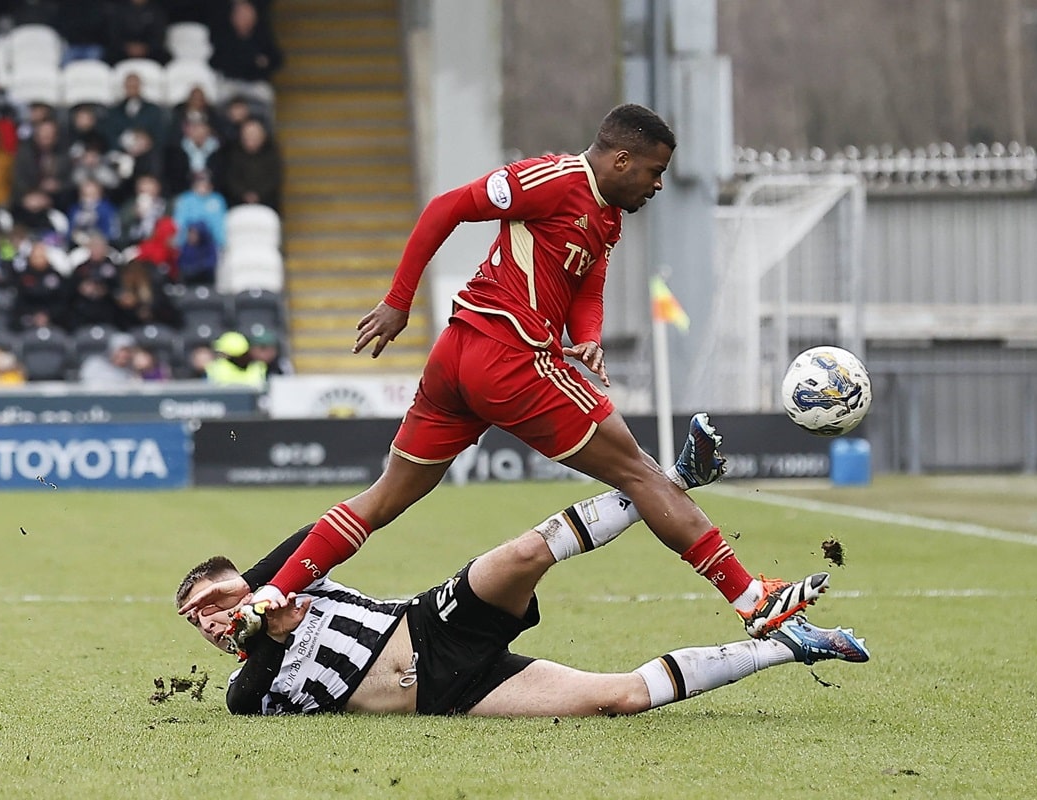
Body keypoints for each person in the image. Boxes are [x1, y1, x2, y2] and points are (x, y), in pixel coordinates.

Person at [217, 104, 826, 639]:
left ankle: (272, 593)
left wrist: (586, 339)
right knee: (643, 473)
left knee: (381, 500)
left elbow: (586, 285)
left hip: (459, 359)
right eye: (654, 171)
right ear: (619, 160)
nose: (659, 184)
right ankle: (754, 599)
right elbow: (445, 207)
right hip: (508, 360)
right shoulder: (552, 179)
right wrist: (399, 300)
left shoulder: (607, 216)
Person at [176, 474, 869, 717]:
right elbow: (253, 682)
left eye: (211, 598)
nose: (207, 619)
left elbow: (318, 532)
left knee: (526, 553)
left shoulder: (296, 578)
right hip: (452, 695)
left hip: (428, 624)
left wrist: (268, 590)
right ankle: (786, 646)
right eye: (194, 619)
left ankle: (665, 483)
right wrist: (257, 625)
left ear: (242, 577)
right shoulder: (248, 690)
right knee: (617, 698)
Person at [220, 117, 282, 211]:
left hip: (268, 202)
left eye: (254, 135)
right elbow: (231, 177)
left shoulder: (272, 153)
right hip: (237, 202)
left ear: (263, 136)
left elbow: (275, 177)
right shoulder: (233, 153)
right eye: (248, 135)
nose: (251, 138)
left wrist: (259, 194)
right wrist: (244, 194)